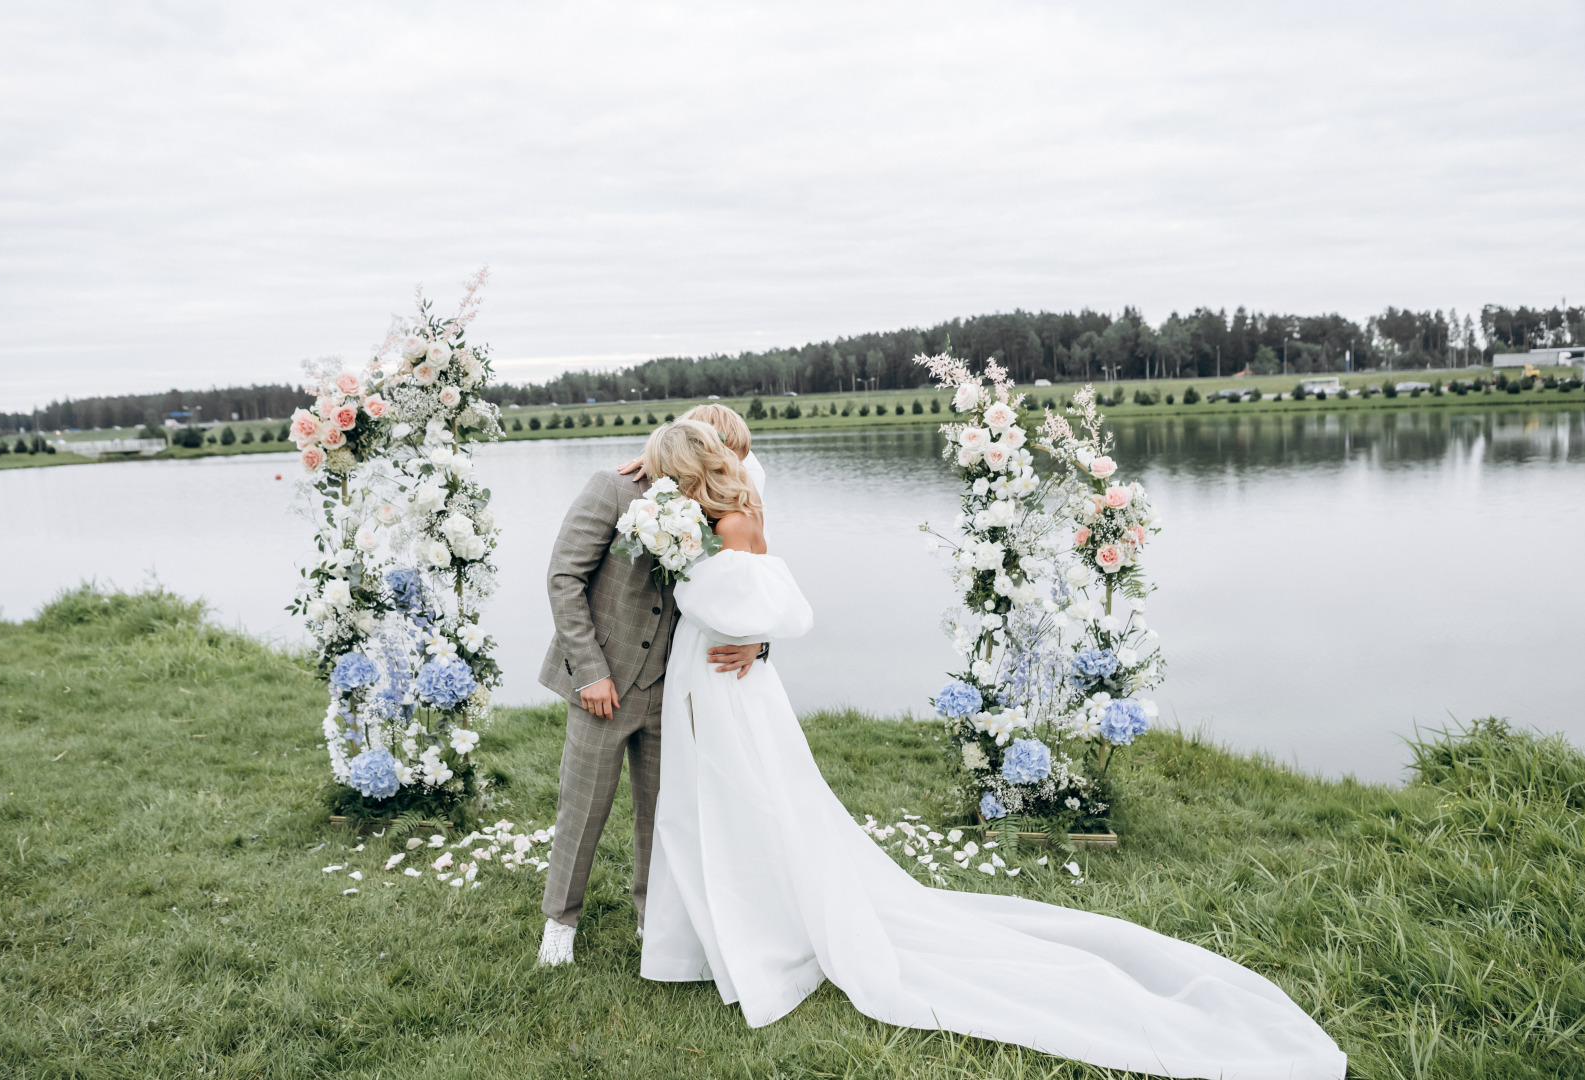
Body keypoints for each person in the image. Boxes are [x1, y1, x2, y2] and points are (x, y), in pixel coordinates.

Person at [635, 422, 1348, 1079]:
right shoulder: (725, 514)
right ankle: (710, 933)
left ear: (683, 474)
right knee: (722, 796)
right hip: (723, 676)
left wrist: (688, 569)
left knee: (741, 795)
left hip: (724, 679)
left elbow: (748, 605)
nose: (654, 489)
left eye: (662, 475)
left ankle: (759, 930)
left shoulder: (729, 523)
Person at [535, 430, 764, 966]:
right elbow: (564, 578)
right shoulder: (610, 490)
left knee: (663, 812)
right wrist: (590, 673)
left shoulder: (715, 501)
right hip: (605, 684)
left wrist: (757, 637)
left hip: (678, 682)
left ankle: (652, 920)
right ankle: (560, 923)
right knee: (583, 805)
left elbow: (752, 577)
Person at [618, 402, 766, 497]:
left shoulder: (749, 481)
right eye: (717, 470)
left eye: (738, 465)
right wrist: (660, 458)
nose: (729, 478)